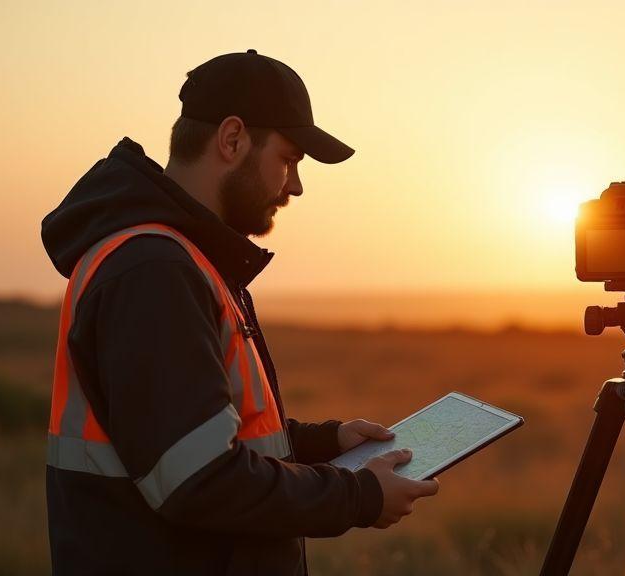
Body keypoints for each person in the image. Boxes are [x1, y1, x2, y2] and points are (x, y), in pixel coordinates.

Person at [40, 49, 439, 576]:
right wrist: (357, 496)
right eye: (290, 159)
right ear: (232, 140)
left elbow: (197, 437)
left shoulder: (183, 259)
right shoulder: (154, 271)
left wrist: (324, 443)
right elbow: (199, 480)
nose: (295, 186)